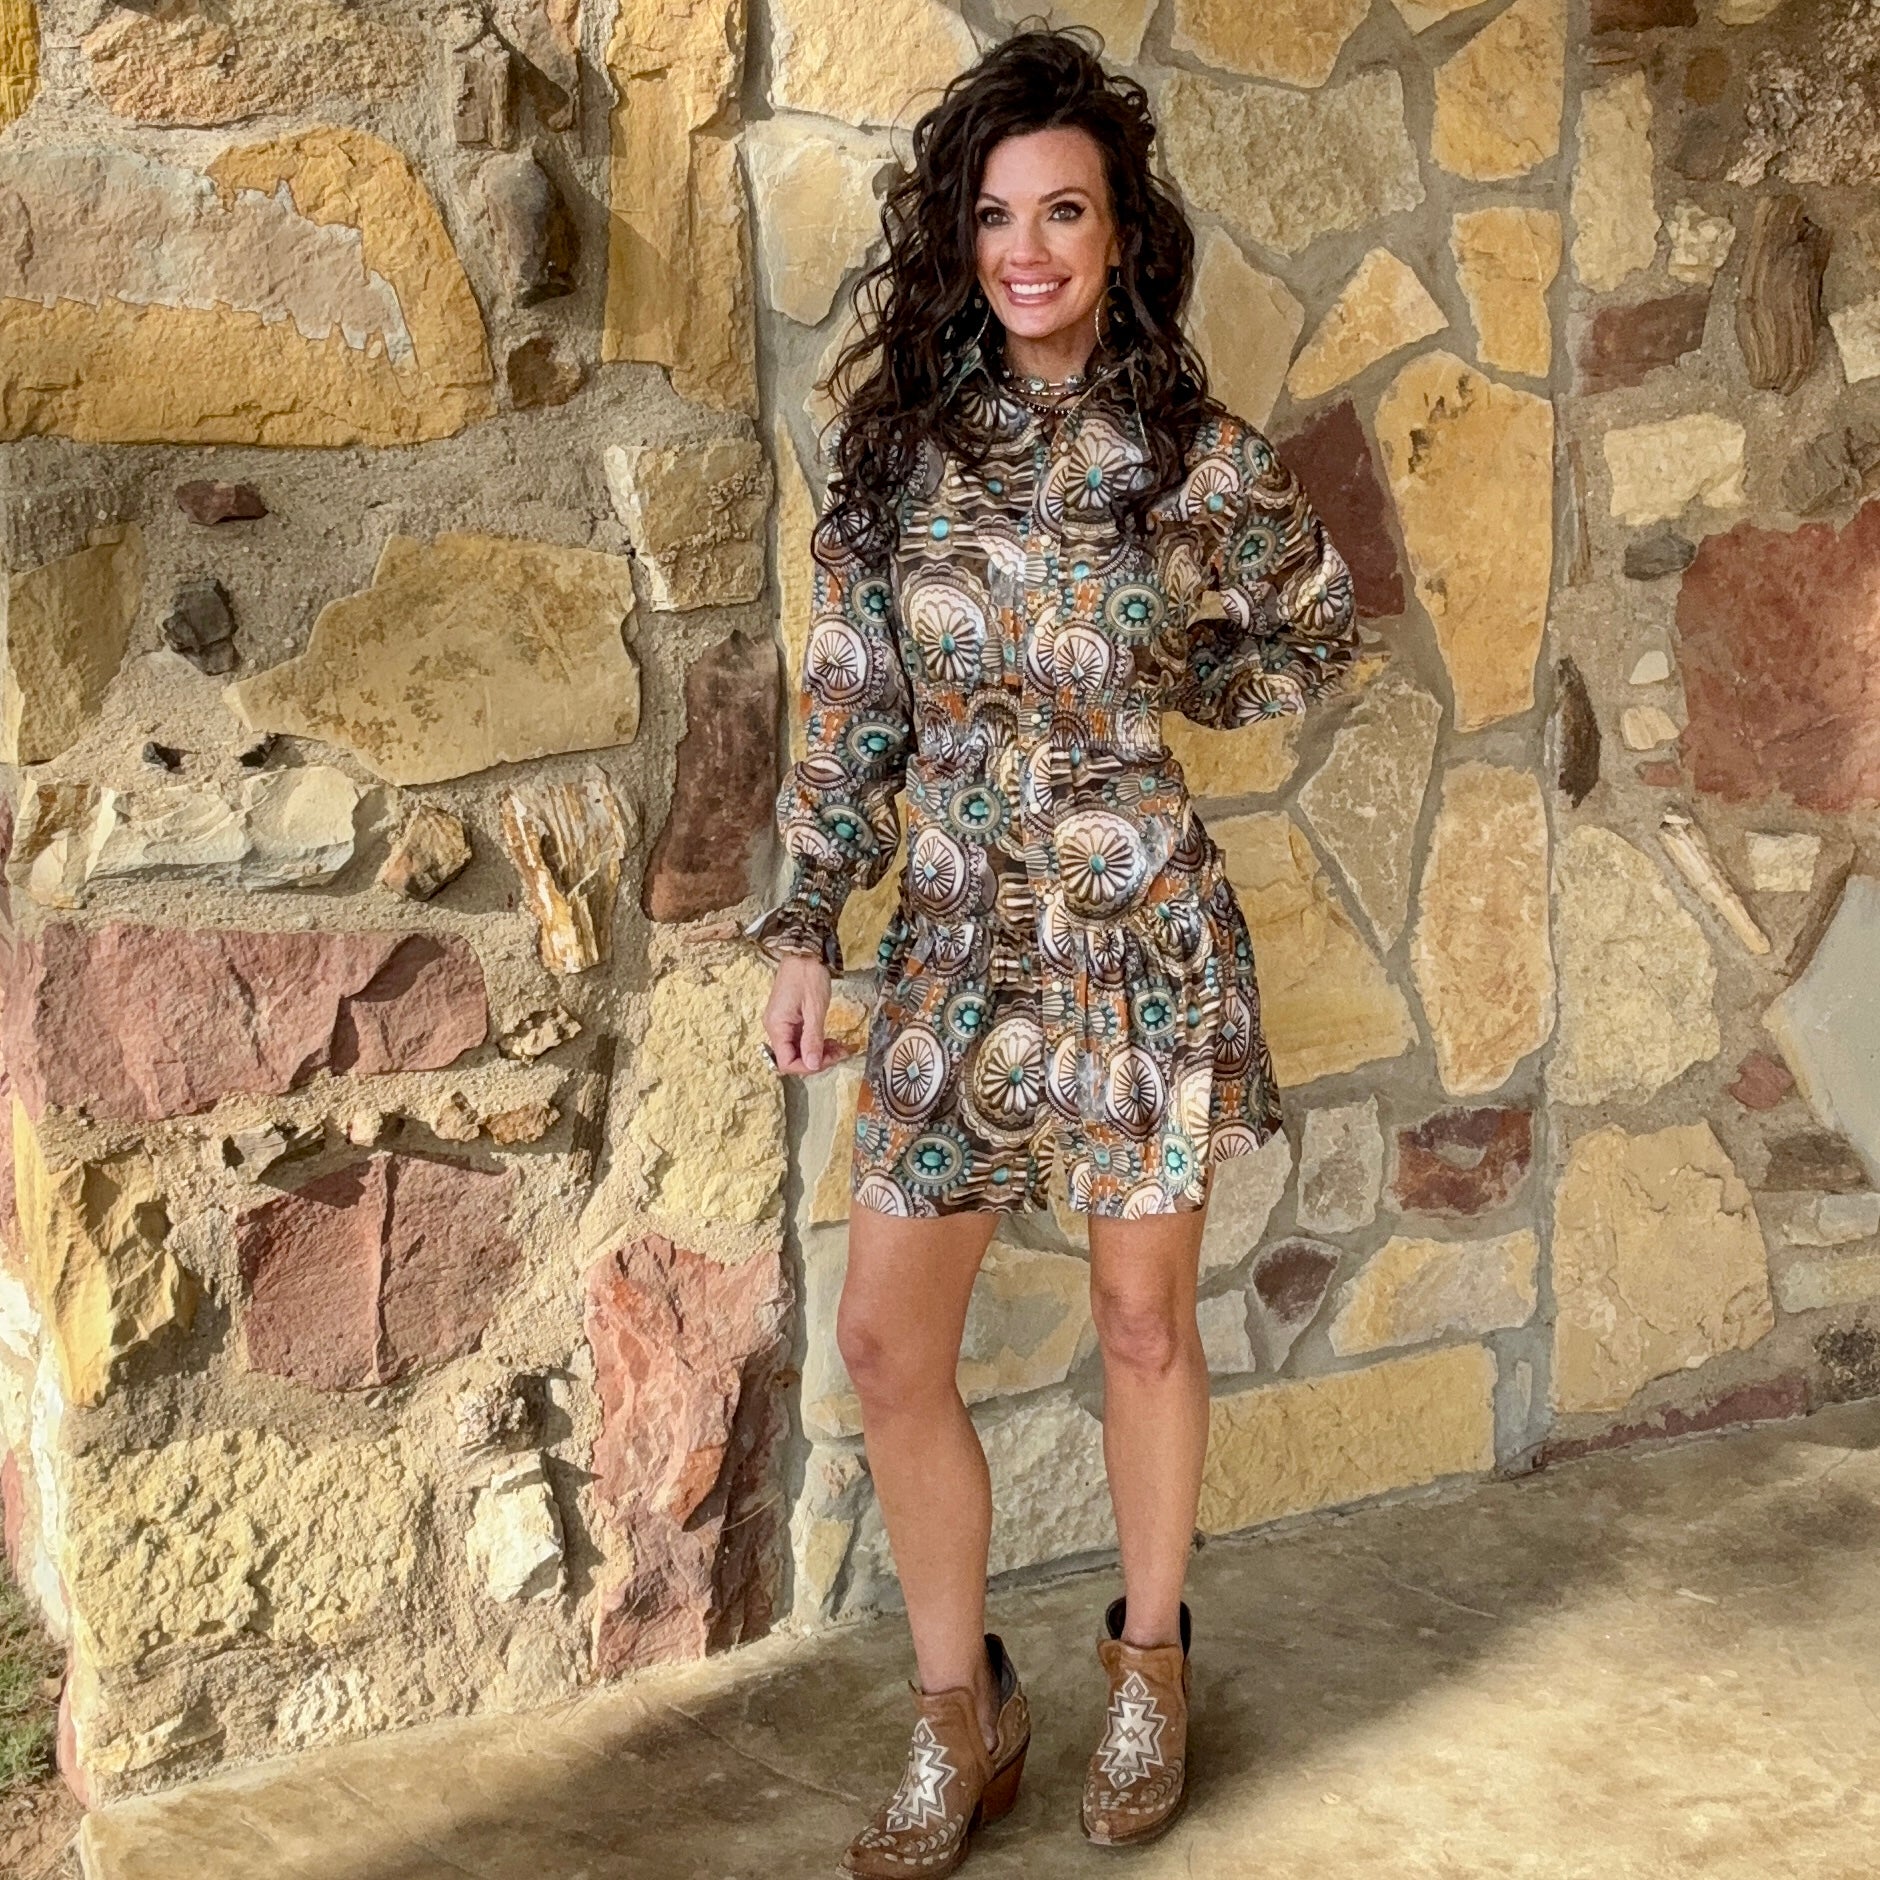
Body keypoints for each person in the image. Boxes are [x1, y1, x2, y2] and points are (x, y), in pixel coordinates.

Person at [743, 26, 1359, 1876]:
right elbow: (852, 712)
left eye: (1065, 213)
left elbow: (1314, 626)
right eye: (999, 215)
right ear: (963, 235)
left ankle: (1151, 1666)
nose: (1030, 249)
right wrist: (805, 923)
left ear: (1118, 235)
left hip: (1134, 936)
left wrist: (1185, 684)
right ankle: (964, 1713)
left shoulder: (1190, 456)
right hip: (948, 943)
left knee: (1141, 1320)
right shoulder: (895, 462)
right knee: (883, 1340)